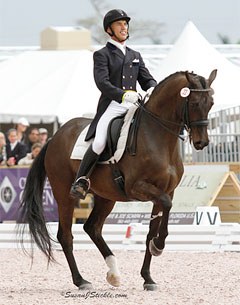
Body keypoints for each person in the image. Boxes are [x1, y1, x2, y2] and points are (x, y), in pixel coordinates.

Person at [70, 9, 157, 199]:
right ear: (109, 30)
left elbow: (146, 78)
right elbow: (102, 83)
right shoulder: (102, 54)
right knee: (100, 141)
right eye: (119, 24)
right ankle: (82, 179)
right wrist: (123, 95)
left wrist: (152, 88)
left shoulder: (135, 54)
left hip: (134, 104)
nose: (124, 27)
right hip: (113, 104)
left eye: (125, 24)